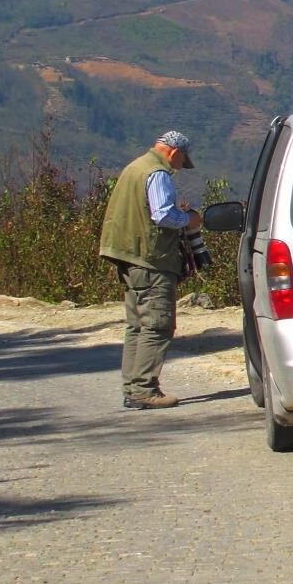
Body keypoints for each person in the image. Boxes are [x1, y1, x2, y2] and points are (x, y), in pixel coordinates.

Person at [98, 129, 203, 410]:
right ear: (174, 152)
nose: (180, 167)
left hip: (128, 257)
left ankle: (132, 387)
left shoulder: (134, 167)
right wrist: (191, 219)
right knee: (158, 325)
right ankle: (145, 389)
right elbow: (163, 214)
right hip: (152, 260)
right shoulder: (157, 173)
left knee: (136, 325)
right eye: (182, 161)